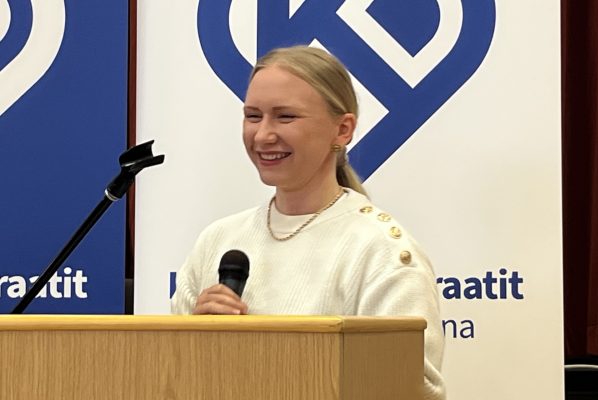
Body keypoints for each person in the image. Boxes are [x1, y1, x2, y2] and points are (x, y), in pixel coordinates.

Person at [171, 46, 445, 399]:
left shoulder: (381, 251)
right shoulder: (218, 239)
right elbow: (170, 375)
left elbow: (413, 387)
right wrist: (194, 340)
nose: (263, 135)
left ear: (342, 130)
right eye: (253, 116)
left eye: (285, 117)